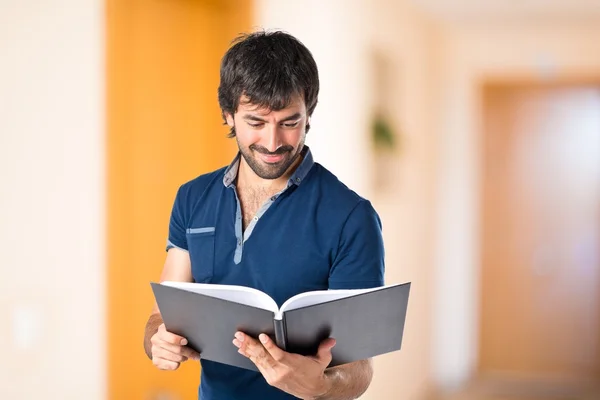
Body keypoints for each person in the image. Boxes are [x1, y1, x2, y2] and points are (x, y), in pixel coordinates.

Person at [143, 30, 385, 400]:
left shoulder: (352, 217)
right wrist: (158, 341)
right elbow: (163, 313)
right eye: (256, 122)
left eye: (289, 122)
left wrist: (321, 385)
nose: (273, 143)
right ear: (228, 115)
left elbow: (359, 368)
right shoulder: (192, 198)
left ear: (308, 116)